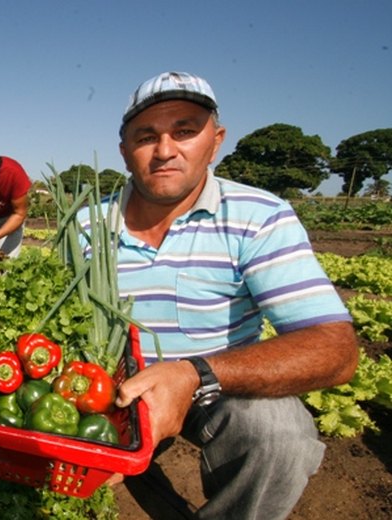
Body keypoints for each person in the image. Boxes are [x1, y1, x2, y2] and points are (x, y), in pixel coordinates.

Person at [91, 72, 359, 519]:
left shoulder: (259, 216)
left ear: (215, 141)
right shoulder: (86, 228)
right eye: (146, 136)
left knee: (279, 435)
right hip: (112, 389)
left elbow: (335, 348)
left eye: (185, 131)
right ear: (124, 152)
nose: (164, 151)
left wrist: (193, 373)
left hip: (217, 388)